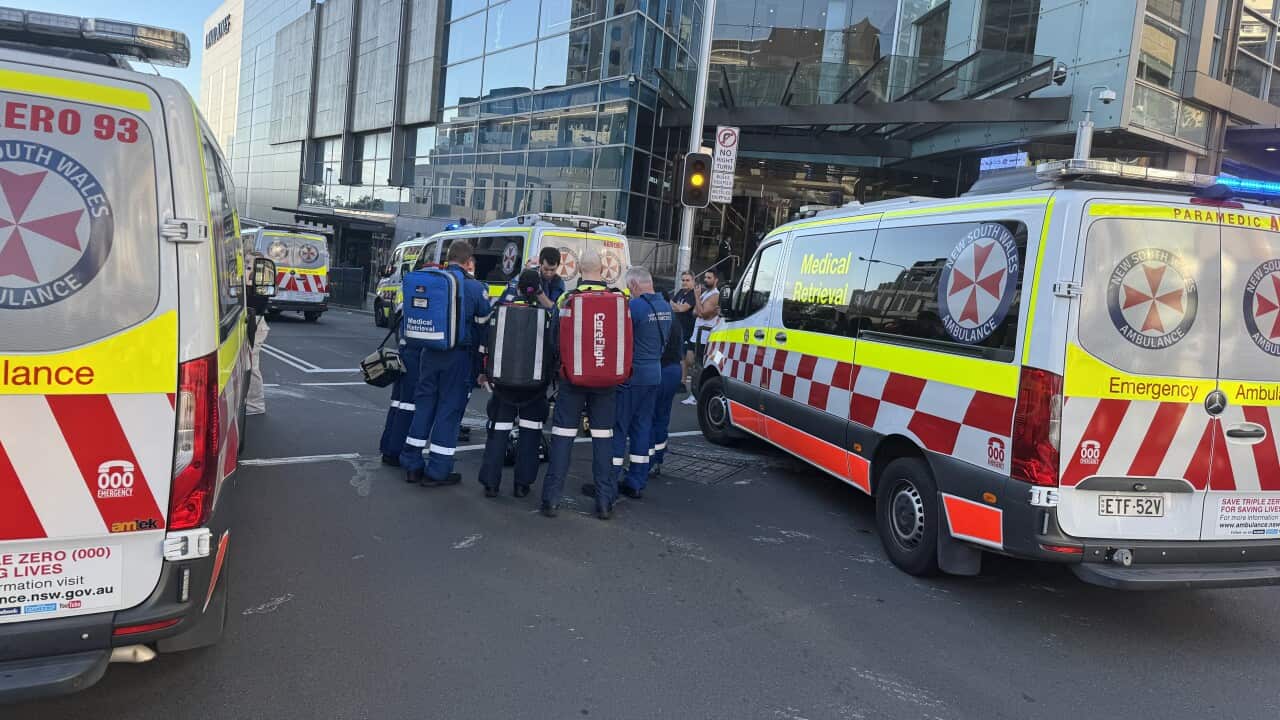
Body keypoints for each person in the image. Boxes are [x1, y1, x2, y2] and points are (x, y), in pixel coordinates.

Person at [400, 241, 492, 486]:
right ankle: (438, 471)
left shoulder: (433, 281)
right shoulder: (474, 287)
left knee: (424, 408)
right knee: (448, 412)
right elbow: (485, 326)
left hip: (428, 354)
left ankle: (411, 464)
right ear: (469, 262)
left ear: (448, 258)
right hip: (458, 357)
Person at [540, 249, 621, 519]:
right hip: (606, 381)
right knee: (602, 440)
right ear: (602, 271)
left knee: (563, 437)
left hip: (572, 379)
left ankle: (551, 499)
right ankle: (604, 502)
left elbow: (553, 340)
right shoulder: (618, 299)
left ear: (579, 271)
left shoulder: (567, 298)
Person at [586, 266, 671, 501]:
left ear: (633, 285)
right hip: (655, 374)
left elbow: (617, 337)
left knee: (619, 429)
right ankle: (636, 481)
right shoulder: (665, 307)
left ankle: (608, 481)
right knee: (642, 428)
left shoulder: (635, 307)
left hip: (633, 376)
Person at [476, 269, 550, 498]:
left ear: (517, 287)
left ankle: (491, 483)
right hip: (535, 386)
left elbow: (484, 344)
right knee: (530, 434)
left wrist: (482, 373)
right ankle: (522, 484)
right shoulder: (545, 315)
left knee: (498, 433)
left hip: (503, 383)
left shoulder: (500, 311)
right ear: (538, 289)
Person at [649, 317, 685, 477]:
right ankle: (658, 459)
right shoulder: (674, 320)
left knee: (647, 418)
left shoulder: (654, 318)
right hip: (673, 370)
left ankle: (647, 462)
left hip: (658, 369)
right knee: (662, 416)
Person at [682, 268, 720, 405]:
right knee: (689, 361)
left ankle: (696, 395)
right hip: (696, 333)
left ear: (716, 280)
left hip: (703, 335)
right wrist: (700, 308)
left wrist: (697, 298)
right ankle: (693, 392)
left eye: (709, 278)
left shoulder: (715, 295)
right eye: (705, 277)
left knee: (698, 365)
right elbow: (694, 312)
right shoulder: (705, 294)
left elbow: (703, 313)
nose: (705, 280)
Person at [669, 271, 697, 392]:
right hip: (678, 328)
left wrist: (669, 302)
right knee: (680, 357)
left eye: (687, 280)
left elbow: (681, 308)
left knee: (685, 359)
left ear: (693, 281)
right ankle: (680, 382)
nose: (684, 282)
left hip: (688, 330)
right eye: (683, 280)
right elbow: (673, 306)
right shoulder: (681, 292)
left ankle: (683, 383)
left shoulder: (692, 294)